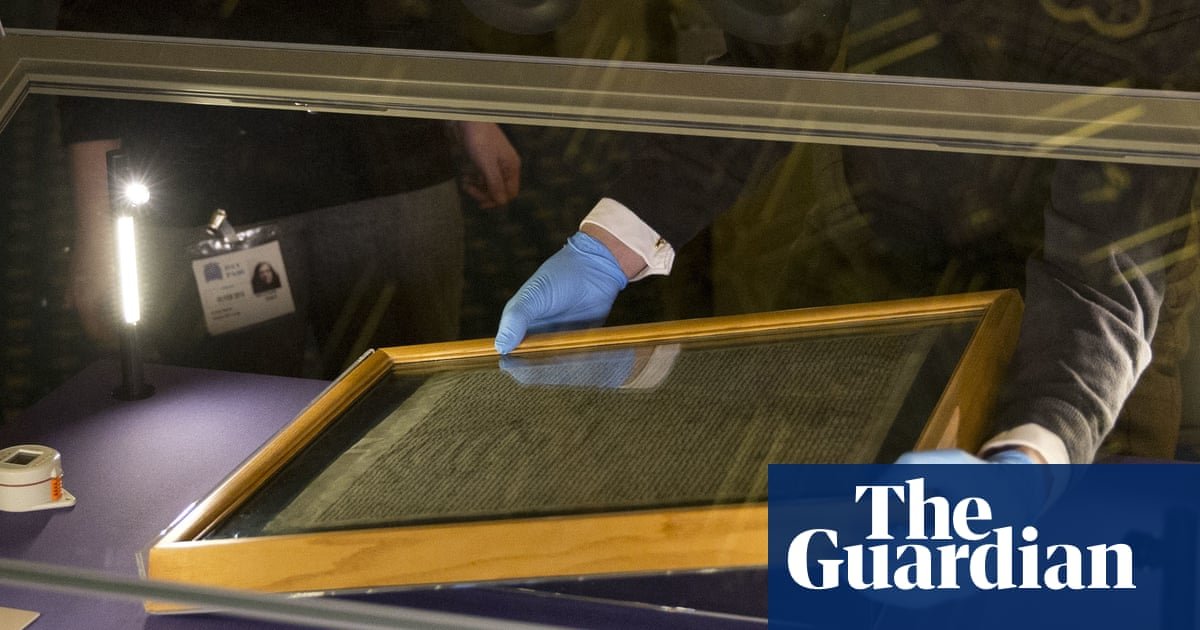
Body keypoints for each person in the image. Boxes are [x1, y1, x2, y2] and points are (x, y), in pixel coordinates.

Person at [493, 0, 1200, 465]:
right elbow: (777, 57)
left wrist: (1034, 452)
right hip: (893, 238)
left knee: (1067, 563)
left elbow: (1103, 279)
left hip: (1093, 294)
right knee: (828, 550)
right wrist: (611, 244)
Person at [59, 0, 522, 378]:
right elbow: (99, 28)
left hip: (384, 154)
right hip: (210, 179)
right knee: (236, 426)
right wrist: (98, 230)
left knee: (403, 407)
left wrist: (468, 109)